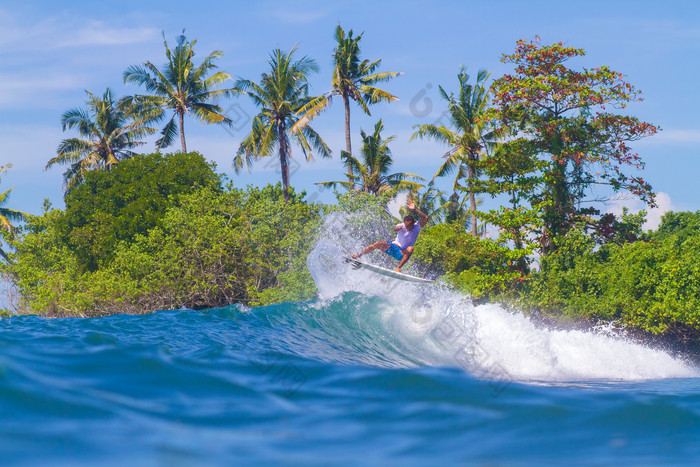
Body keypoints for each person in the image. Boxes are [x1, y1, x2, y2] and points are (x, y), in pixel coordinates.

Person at [352, 199, 429, 272]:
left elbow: (426, 217)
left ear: (413, 223)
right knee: (377, 244)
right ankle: (358, 255)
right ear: (404, 223)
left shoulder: (417, 227)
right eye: (407, 226)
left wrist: (414, 209)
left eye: (411, 226)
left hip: (402, 253)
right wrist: (396, 228)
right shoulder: (401, 225)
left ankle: (398, 268)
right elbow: (394, 229)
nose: (409, 227)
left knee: (410, 249)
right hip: (392, 247)